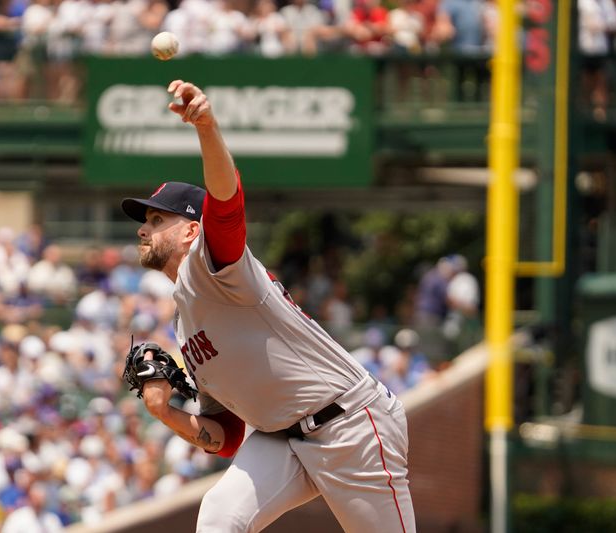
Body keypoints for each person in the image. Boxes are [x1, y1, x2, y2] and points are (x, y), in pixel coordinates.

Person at [120, 80, 415, 532]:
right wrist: (164, 412)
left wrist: (206, 127)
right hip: (281, 439)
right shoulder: (185, 322)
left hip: (351, 424)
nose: (145, 229)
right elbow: (225, 436)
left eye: (158, 219)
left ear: (191, 232)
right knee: (219, 517)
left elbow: (226, 203)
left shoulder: (215, 266)